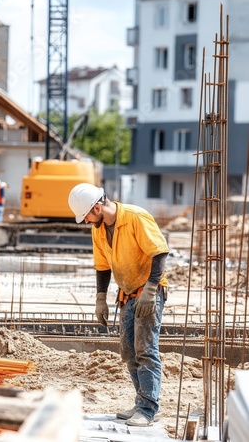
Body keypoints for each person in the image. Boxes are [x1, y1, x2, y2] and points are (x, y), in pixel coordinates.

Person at [68, 183, 169, 427]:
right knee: (129, 351)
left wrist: (151, 290)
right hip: (127, 294)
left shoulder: (135, 217)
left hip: (148, 291)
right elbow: (102, 266)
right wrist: (100, 298)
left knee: (146, 350)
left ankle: (147, 409)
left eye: (87, 216)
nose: (86, 222)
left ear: (97, 207)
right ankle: (142, 401)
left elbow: (159, 252)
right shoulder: (99, 229)